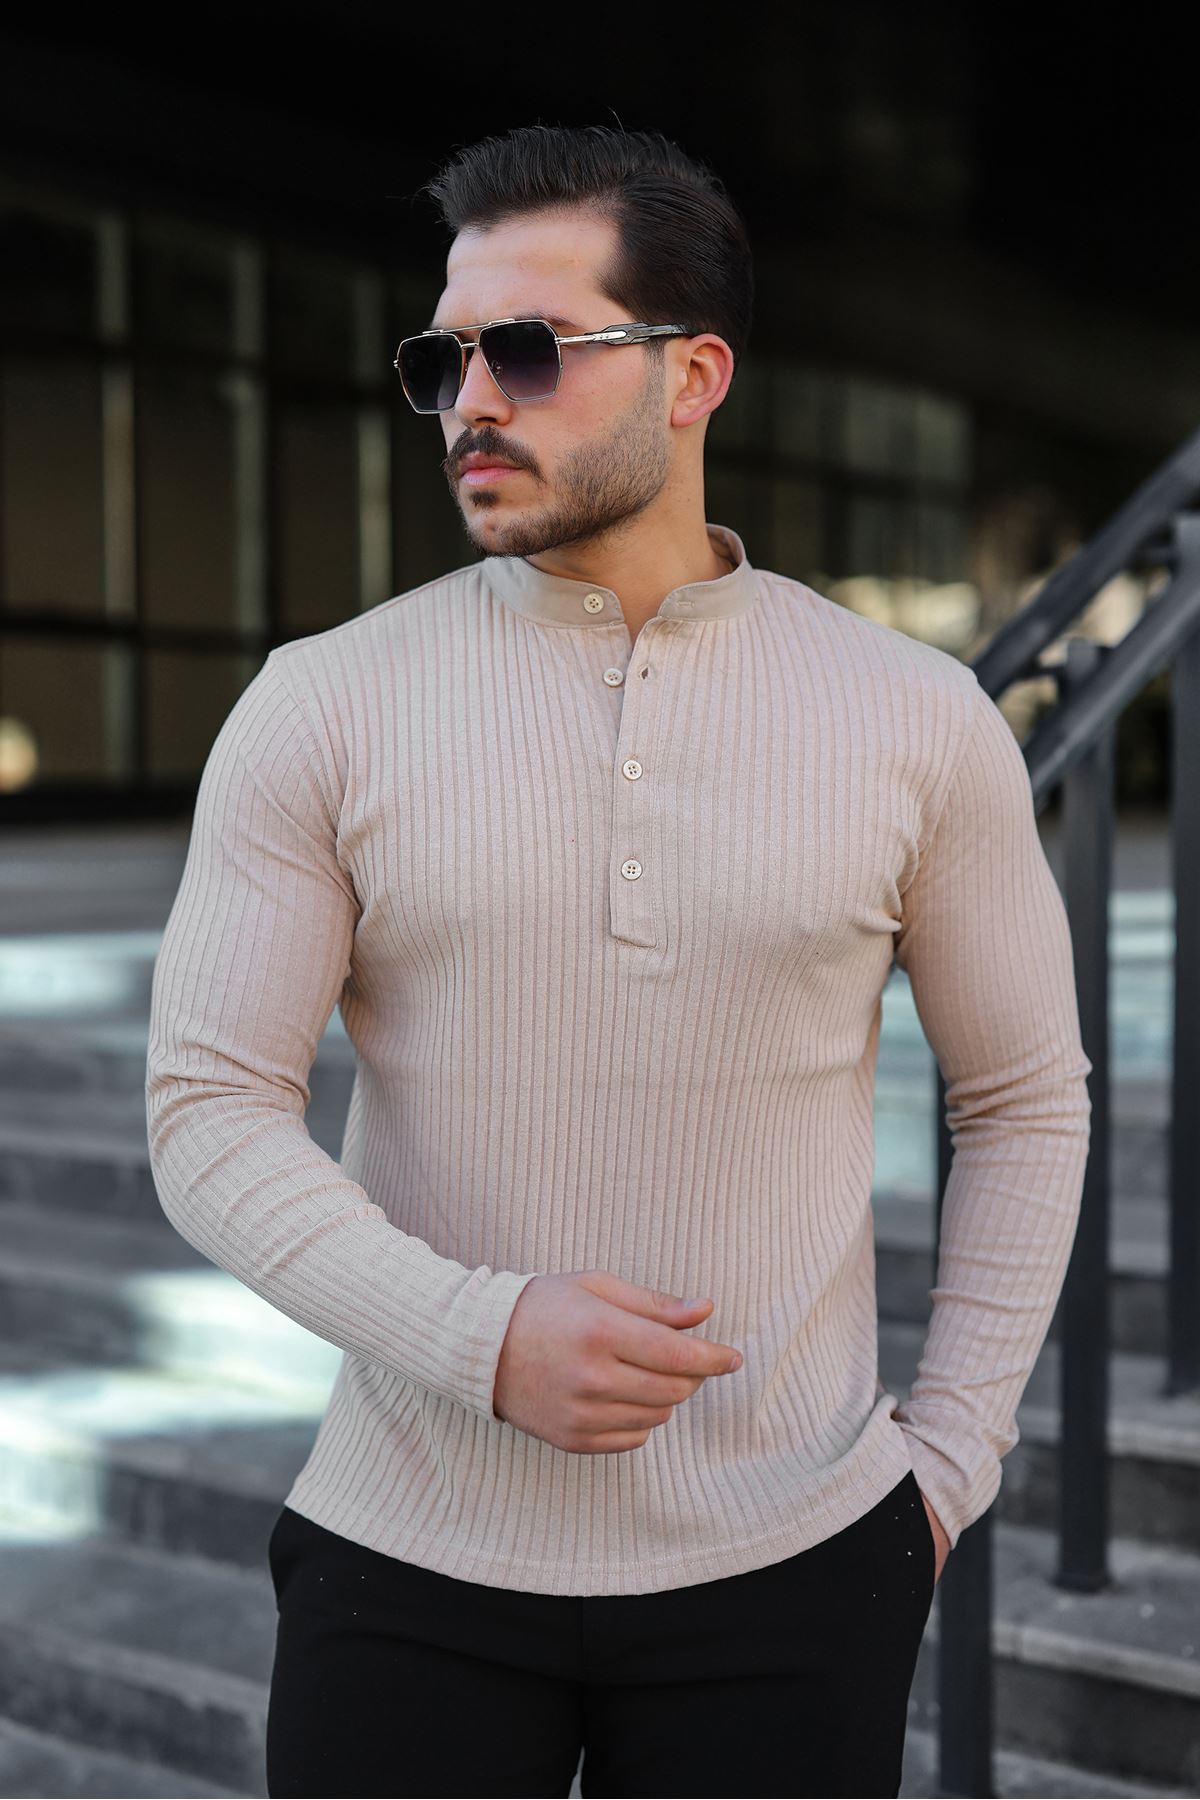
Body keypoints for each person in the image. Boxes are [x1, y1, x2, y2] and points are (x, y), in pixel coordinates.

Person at [145, 124, 1092, 1798]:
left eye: (527, 350)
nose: (470, 403)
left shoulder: (916, 719)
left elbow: (1024, 1098)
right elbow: (207, 1110)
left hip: (796, 1564)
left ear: (693, 374)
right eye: (442, 362)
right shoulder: (321, 704)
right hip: (408, 1557)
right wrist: (483, 1336)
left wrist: (946, 1466)